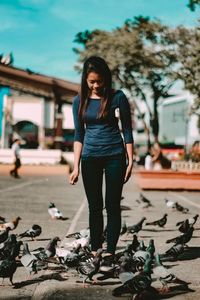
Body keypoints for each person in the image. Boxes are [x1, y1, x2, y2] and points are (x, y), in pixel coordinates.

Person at [69, 56, 134, 268]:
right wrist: (75, 166)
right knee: (95, 207)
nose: (96, 85)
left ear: (106, 78)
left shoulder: (118, 97)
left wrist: (130, 160)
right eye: (92, 82)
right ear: (85, 80)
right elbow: (79, 135)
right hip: (89, 158)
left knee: (112, 206)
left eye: (99, 81)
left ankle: (111, 251)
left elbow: (127, 130)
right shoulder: (79, 100)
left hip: (115, 156)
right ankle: (96, 249)